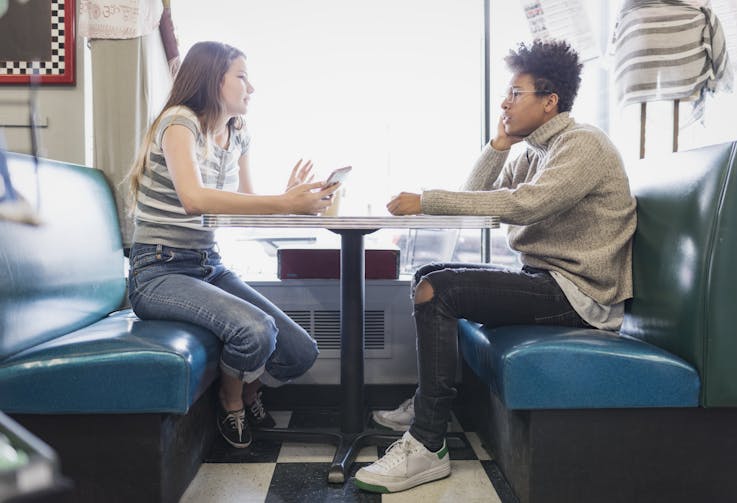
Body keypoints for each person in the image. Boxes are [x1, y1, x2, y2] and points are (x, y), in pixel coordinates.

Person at [354, 39, 637, 493]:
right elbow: (475, 203)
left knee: (438, 290)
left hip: (581, 294)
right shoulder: (529, 151)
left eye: (516, 93)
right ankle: (429, 405)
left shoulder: (583, 144)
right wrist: (499, 144)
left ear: (550, 102)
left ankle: (428, 443)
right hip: (545, 279)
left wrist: (426, 199)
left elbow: (525, 204)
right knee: (429, 275)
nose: (505, 102)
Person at [125, 41, 339, 449]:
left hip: (207, 264)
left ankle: (251, 391)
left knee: (300, 351)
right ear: (212, 79)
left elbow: (244, 210)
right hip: (157, 269)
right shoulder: (179, 122)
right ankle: (232, 399)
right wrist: (283, 202)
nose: (251, 87)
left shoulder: (237, 135)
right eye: (242, 76)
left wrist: (290, 202)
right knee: (255, 330)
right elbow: (194, 199)